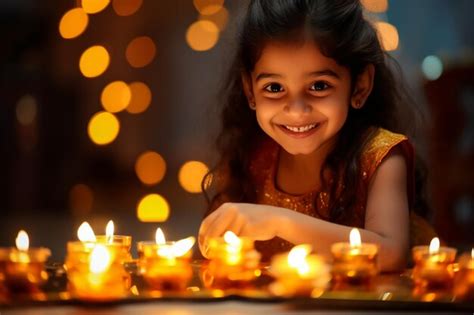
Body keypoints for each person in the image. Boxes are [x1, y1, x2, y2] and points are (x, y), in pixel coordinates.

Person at [198, 0, 436, 272]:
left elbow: (390, 253)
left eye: (319, 86)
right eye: (274, 88)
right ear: (250, 91)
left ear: (359, 86)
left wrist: (280, 222)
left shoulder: (381, 158)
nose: (297, 111)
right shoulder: (251, 157)